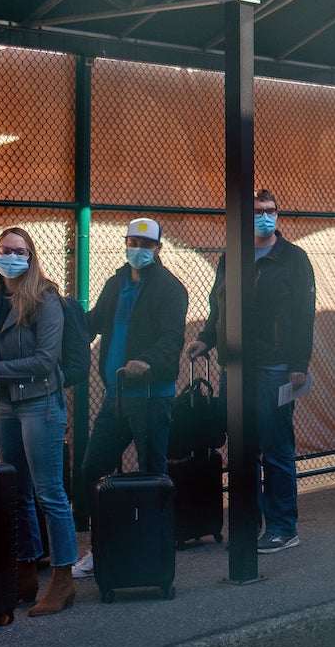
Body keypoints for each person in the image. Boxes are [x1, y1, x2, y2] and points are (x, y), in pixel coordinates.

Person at [184, 188, 315, 554]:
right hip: (235, 366)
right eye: (257, 210)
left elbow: (304, 316)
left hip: (274, 367)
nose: (264, 216)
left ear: (278, 214)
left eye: (270, 210)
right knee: (243, 449)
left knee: (276, 448)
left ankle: (283, 527)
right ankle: (249, 523)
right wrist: (206, 339)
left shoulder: (293, 259)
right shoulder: (232, 256)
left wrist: (298, 365)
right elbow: (218, 304)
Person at [0, 226, 79, 615]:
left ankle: (63, 580)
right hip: (5, 402)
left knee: (50, 494)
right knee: (16, 492)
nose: (9, 256)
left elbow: (47, 359)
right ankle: (25, 571)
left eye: (18, 250)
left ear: (31, 257)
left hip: (40, 402)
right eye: (3, 249)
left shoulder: (45, 299)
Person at [71, 217, 189, 580]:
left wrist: (148, 362)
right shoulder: (115, 283)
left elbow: (172, 340)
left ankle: (155, 546)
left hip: (152, 397)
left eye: (145, 244)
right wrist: (64, 317)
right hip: (116, 397)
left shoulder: (171, 289)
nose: (137, 249)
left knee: (153, 472)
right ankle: (102, 545)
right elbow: (92, 324)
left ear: (158, 248)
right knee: (92, 469)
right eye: (132, 242)